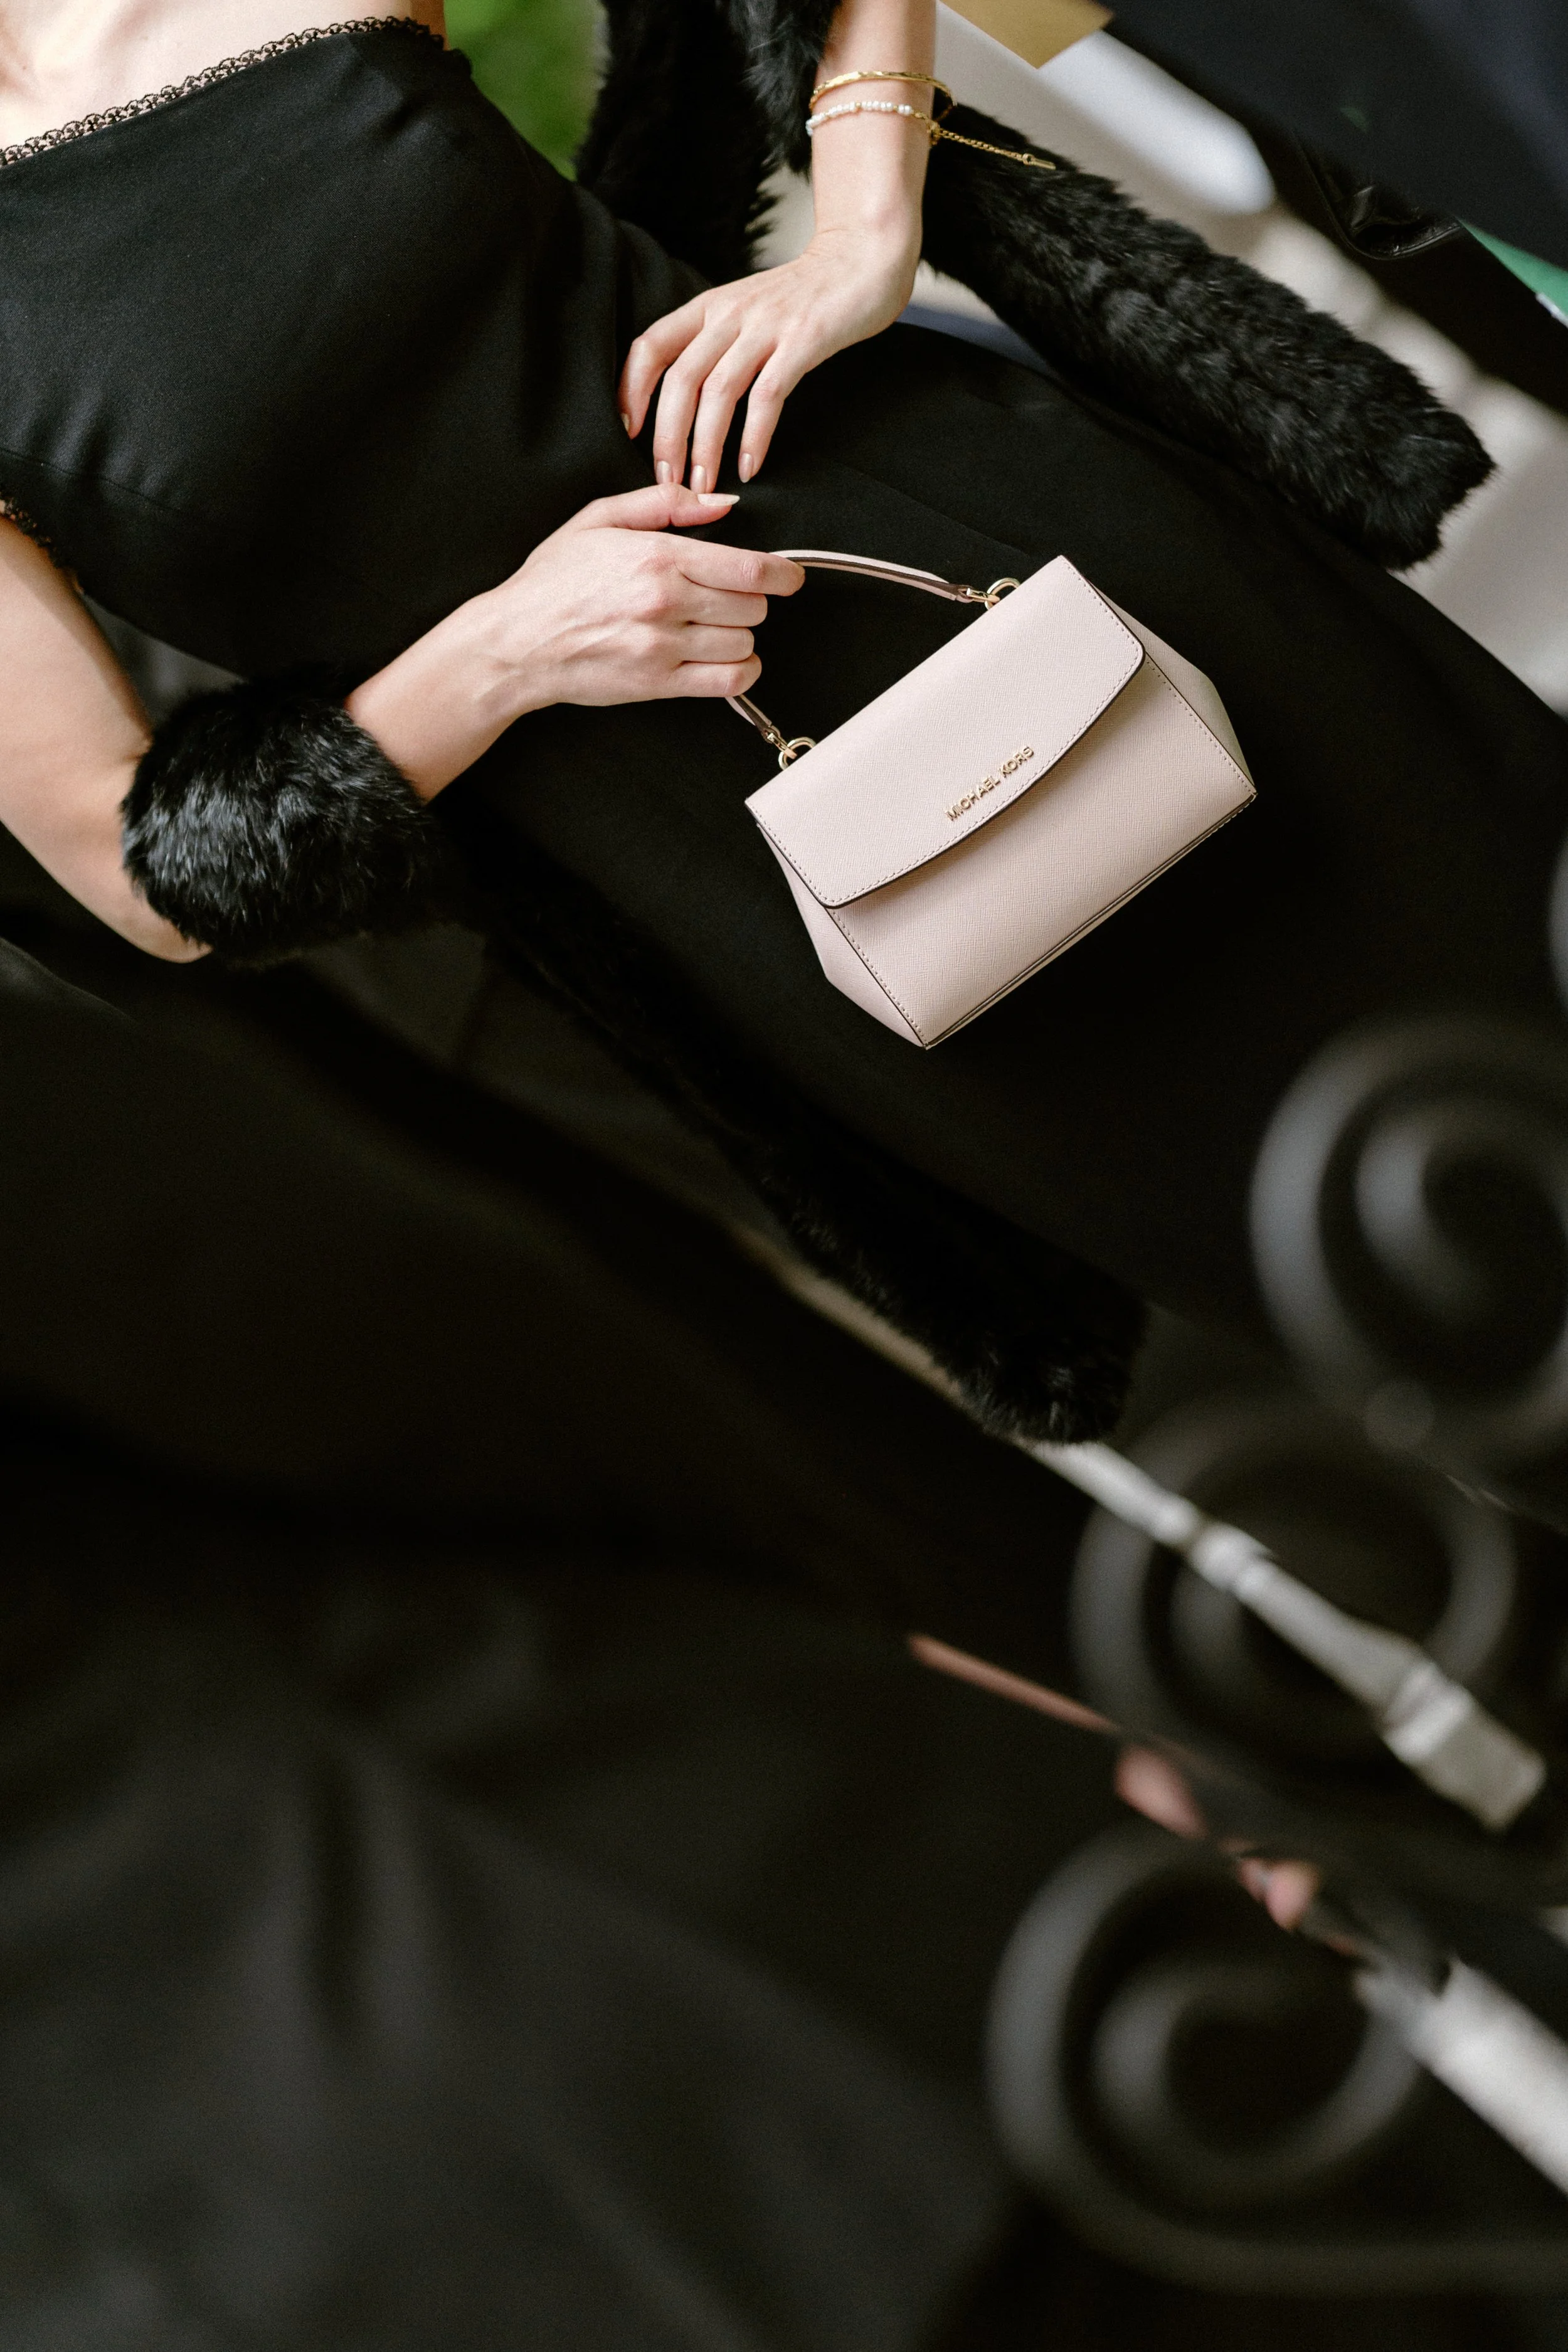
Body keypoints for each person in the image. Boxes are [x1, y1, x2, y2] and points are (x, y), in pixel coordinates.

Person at [2, 0, 1565, 1442]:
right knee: (1441, 1303)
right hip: (778, 878)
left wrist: (860, 229)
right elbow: (132, 873)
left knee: (1507, 918)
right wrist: (504, 653)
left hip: (997, 553)